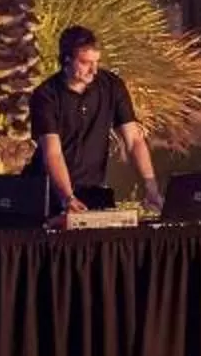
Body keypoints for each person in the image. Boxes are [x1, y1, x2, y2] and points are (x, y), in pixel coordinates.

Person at [28, 24, 161, 222]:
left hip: (93, 191)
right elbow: (52, 153)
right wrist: (67, 197)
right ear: (66, 59)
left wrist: (151, 187)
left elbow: (134, 140)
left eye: (96, 62)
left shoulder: (111, 85)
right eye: (85, 62)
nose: (94, 69)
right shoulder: (46, 95)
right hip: (51, 193)